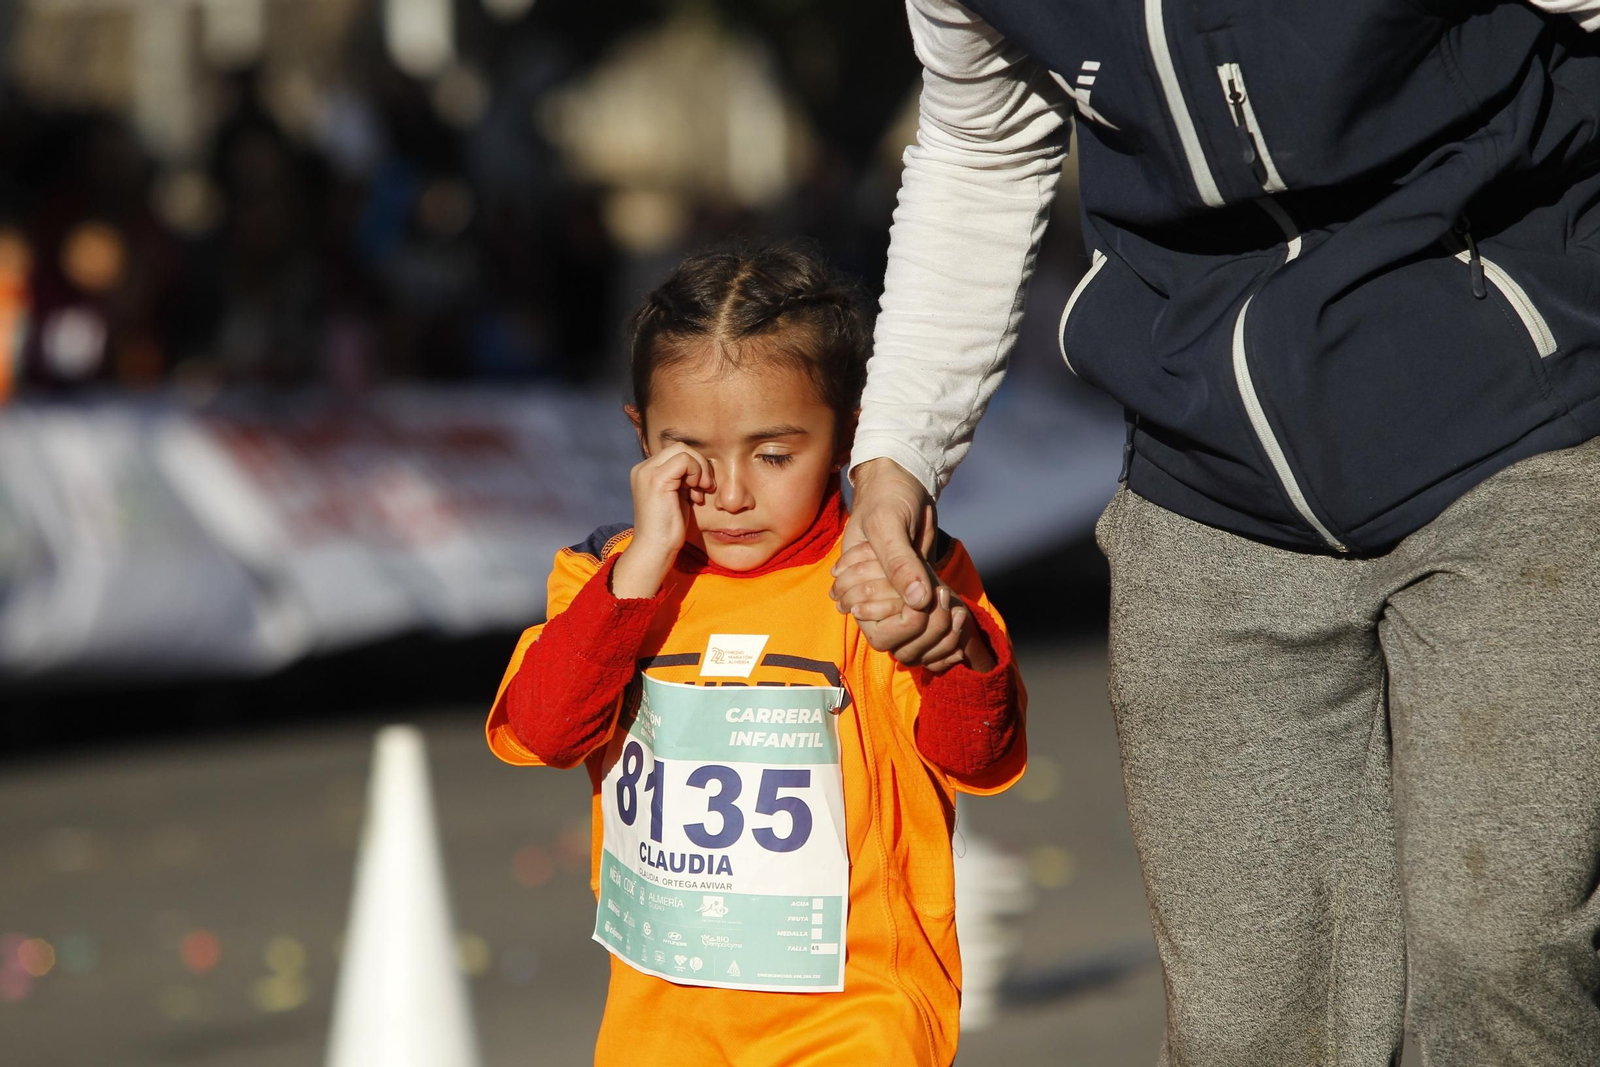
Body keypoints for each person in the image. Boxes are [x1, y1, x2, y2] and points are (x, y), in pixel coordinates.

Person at [833, 1, 1600, 1064]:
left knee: (1502, 963)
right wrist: (898, 454)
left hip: (1522, 429)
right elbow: (981, 143)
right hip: (1202, 476)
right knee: (1252, 1023)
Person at [484, 243, 1026, 1066]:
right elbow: (547, 729)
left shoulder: (887, 571)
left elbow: (979, 756)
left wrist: (945, 644)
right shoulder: (605, 578)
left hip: (853, 1021)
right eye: (691, 456)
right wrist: (638, 575)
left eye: (774, 454)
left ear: (847, 434)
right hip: (661, 1032)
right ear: (640, 434)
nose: (731, 493)